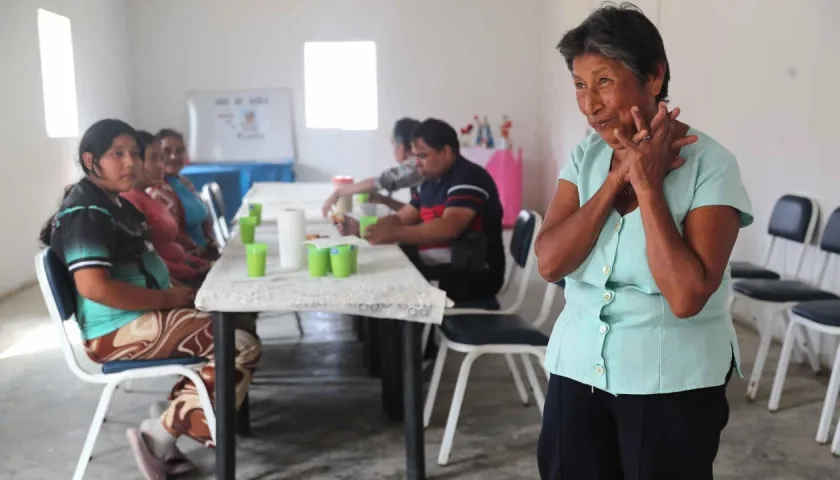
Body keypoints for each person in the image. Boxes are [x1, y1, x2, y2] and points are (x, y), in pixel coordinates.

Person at [534, 4, 753, 480]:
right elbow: (549, 263)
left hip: (670, 378)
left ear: (654, 77)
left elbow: (686, 296)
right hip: (578, 368)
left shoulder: (711, 165)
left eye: (604, 81)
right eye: (579, 84)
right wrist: (616, 180)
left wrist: (649, 187)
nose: (590, 104)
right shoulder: (586, 156)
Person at [39, 119, 261, 479]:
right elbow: (95, 288)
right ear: (91, 161)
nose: (131, 162)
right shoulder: (86, 213)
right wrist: (167, 299)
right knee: (238, 344)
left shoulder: (112, 204)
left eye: (134, 154)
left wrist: (177, 294)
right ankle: (159, 434)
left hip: (139, 316)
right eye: (117, 154)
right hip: (116, 330)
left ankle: (172, 415)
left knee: (236, 323)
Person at [365, 118, 505, 303]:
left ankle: (396, 320)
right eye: (416, 156)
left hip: (472, 271)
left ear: (446, 152)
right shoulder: (430, 181)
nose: (417, 164)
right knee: (384, 265)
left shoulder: (469, 177)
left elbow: (449, 227)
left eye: (423, 156)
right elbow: (404, 216)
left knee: (390, 274)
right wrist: (365, 229)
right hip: (446, 260)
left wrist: (394, 233)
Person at [120, 131, 210, 287]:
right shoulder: (132, 202)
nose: (162, 165)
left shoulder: (147, 196)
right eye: (154, 159)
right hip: (171, 282)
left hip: (185, 270)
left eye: (161, 158)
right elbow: (152, 262)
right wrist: (194, 272)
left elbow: (171, 251)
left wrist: (202, 265)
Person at [322, 117, 424, 217]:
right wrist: (384, 200)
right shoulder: (417, 170)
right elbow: (417, 213)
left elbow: (380, 181)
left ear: (401, 148)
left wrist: (338, 192)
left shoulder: (417, 166)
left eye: (393, 146)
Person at [147, 128, 219, 261]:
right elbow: (174, 235)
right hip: (188, 260)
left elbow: (204, 220)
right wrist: (203, 256)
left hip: (206, 253)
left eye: (179, 151)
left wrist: (211, 245)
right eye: (167, 151)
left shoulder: (184, 182)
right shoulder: (157, 191)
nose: (174, 157)